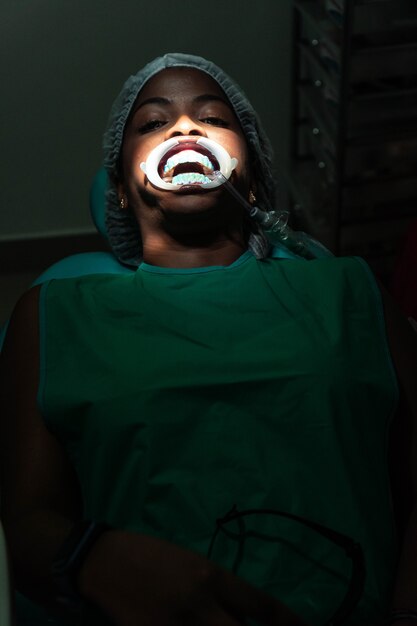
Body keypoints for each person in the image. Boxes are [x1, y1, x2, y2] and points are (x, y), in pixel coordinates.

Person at [0, 52, 416, 626]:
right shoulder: (51, 316)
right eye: (151, 123)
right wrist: (91, 557)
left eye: (214, 118)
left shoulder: (351, 291)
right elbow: (26, 526)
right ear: (120, 186)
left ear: (253, 174)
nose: (184, 127)